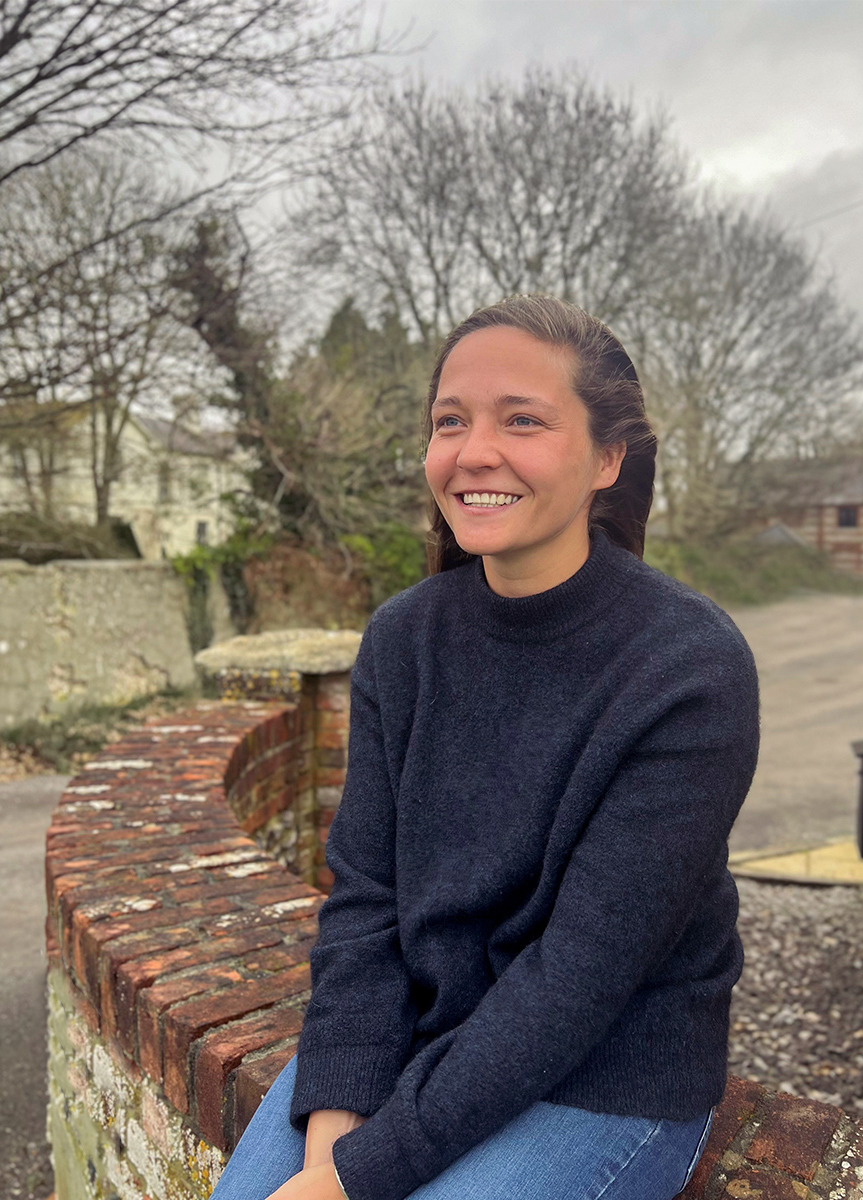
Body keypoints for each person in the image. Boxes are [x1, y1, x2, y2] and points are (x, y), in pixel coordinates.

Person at [211, 295, 760, 1200]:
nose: (473, 452)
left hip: (601, 1076)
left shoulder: (689, 668)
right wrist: (337, 1115)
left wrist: (355, 1180)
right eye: (451, 421)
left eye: (523, 420)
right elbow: (367, 899)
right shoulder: (402, 639)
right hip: (422, 1036)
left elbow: (578, 982)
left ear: (608, 459)